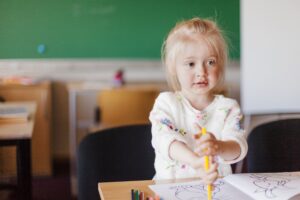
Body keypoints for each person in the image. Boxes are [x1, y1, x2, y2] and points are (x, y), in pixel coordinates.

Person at [149, 18, 248, 185]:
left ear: (220, 65)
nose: (201, 72)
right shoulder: (166, 103)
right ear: (173, 67)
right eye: (191, 64)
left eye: (210, 62)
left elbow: (238, 148)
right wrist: (195, 161)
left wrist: (218, 146)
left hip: (217, 192)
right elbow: (164, 139)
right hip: (170, 192)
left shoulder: (228, 108)